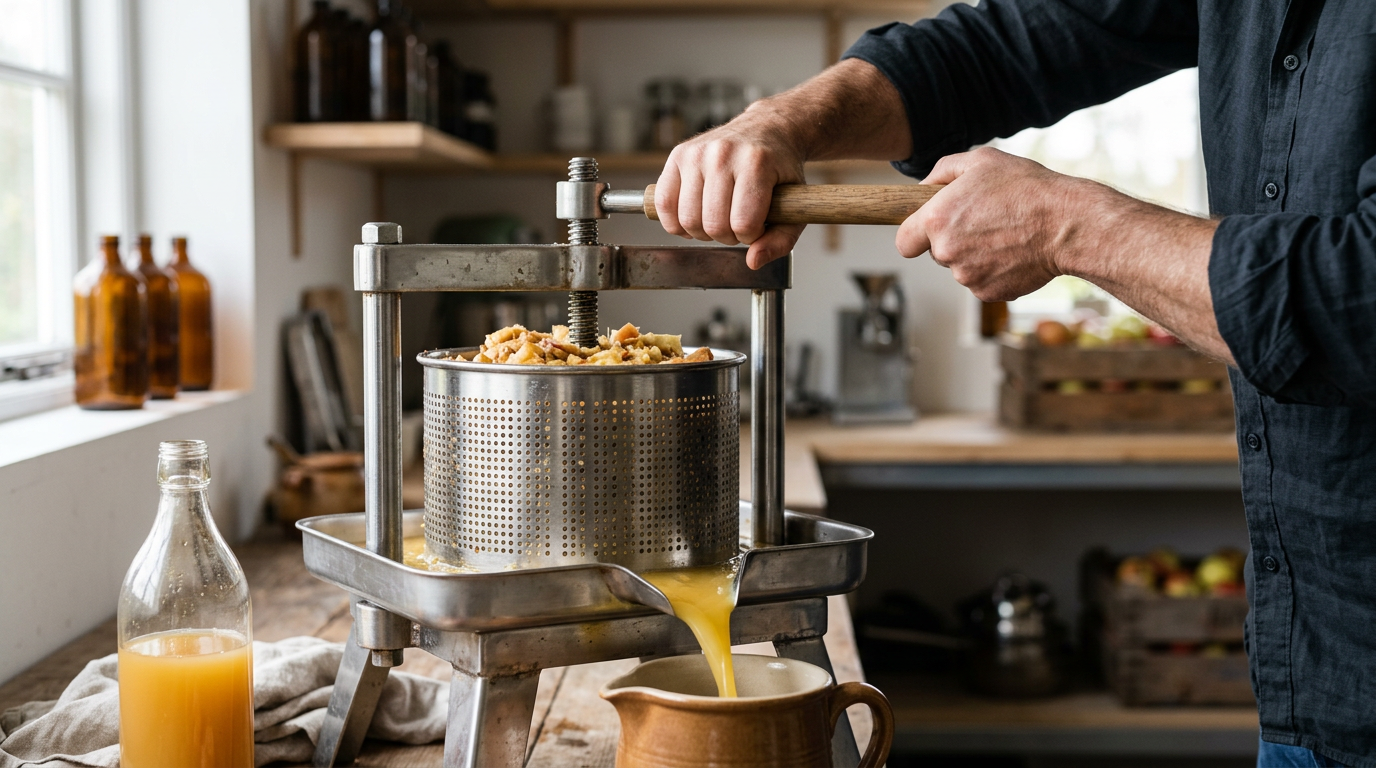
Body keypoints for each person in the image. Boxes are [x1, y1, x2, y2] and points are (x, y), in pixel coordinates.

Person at [653, 2, 1376, 766]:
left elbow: (1357, 294)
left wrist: (1072, 226)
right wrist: (784, 122)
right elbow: (1006, 45)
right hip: (1311, 671)